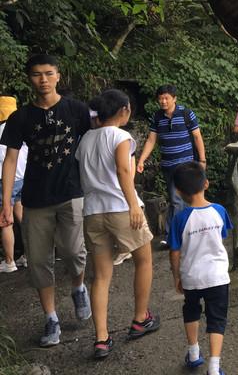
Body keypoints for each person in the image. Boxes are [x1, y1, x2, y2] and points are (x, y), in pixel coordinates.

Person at [0, 54, 92, 347]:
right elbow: (10, 159)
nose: (43, 79)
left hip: (71, 193)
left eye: (48, 73)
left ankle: (79, 287)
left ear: (58, 76)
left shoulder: (76, 110)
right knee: (39, 261)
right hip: (34, 199)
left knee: (75, 252)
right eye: (37, 74)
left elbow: (94, 143)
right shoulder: (21, 117)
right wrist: (5, 202)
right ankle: (51, 318)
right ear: (30, 78)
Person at [75, 89, 160, 359]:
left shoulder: (85, 139)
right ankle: (140, 318)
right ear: (124, 110)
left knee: (100, 276)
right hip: (121, 209)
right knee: (144, 260)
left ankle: (101, 338)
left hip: (92, 212)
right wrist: (134, 204)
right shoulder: (122, 136)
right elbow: (124, 170)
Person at [169, 161, 232, 375]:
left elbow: (174, 251)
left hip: (192, 277)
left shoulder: (179, 219)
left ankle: (194, 353)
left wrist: (177, 276)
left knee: (192, 310)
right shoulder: (220, 211)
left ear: (178, 191)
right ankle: (214, 368)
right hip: (218, 277)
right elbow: (222, 237)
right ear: (206, 183)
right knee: (217, 319)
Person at [136, 84, 206, 244]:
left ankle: (172, 236)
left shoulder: (186, 114)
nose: (163, 101)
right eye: (160, 98)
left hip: (185, 166)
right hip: (168, 166)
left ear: (174, 98)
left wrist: (202, 161)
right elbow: (151, 139)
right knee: (177, 200)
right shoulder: (157, 117)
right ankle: (184, 233)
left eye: (166, 98)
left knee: (178, 200)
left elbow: (197, 137)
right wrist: (141, 160)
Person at [0, 96, 28, 273]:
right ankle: (30, 256)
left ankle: (9, 261)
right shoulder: (21, 128)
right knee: (23, 217)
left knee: (5, 220)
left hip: (5, 181)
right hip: (23, 178)